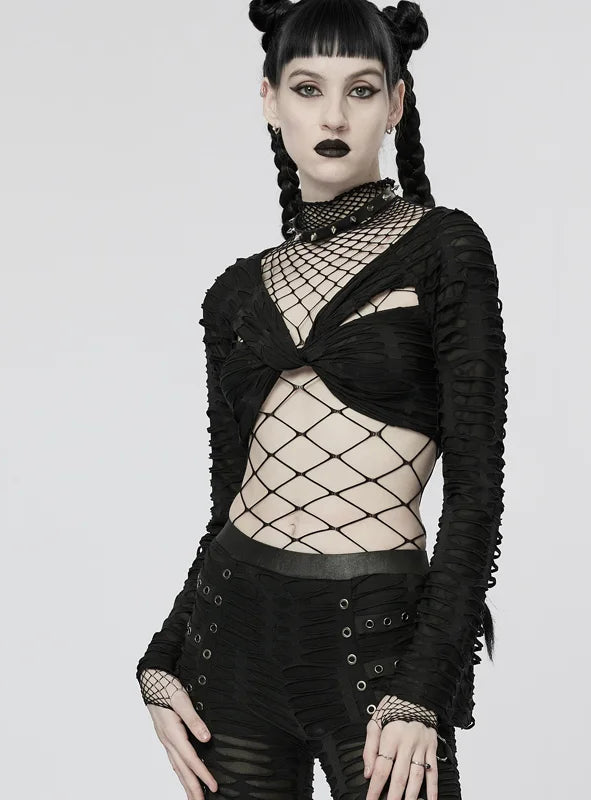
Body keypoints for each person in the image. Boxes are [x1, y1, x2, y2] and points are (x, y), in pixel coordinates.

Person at [135, 2, 508, 798]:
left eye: (361, 90)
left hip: (376, 642)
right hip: (229, 637)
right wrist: (163, 658)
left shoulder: (445, 250)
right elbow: (231, 504)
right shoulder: (234, 294)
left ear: (396, 103)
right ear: (270, 100)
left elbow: (476, 494)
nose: (334, 116)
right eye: (308, 88)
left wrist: (423, 685)